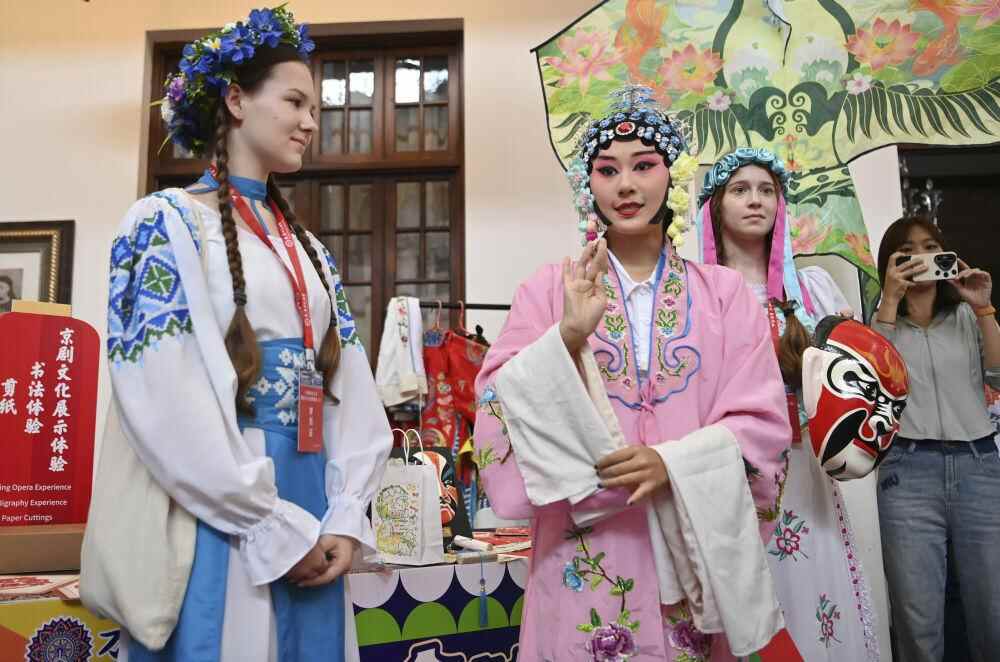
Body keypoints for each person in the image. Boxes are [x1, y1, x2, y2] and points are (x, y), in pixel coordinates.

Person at [81, 8, 391, 661]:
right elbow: (162, 395)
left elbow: (352, 385)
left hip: (311, 500)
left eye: (316, 108)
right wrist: (267, 523)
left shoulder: (309, 249)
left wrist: (343, 515)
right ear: (235, 100)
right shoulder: (164, 223)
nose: (311, 122)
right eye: (295, 102)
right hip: (225, 512)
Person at [473, 88, 793, 661]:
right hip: (582, 548)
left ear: (674, 176)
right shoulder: (547, 290)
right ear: (587, 185)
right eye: (607, 170)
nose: (625, 186)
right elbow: (497, 403)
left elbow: (764, 422)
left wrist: (673, 463)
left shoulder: (724, 295)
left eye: (644, 166)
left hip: (690, 544)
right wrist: (567, 335)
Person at [695, 147, 881, 660]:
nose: (755, 200)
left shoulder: (813, 290)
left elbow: (852, 385)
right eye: (740, 190)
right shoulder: (693, 292)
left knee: (813, 600)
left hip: (805, 473)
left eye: (767, 191)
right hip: (729, 476)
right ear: (715, 206)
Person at [872, 215, 1000, 662]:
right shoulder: (879, 323)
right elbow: (873, 387)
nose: (922, 257)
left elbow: (998, 376)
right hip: (907, 472)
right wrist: (890, 300)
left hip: (979, 465)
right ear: (891, 263)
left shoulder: (965, 315)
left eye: (931, 247)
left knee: (993, 610)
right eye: (907, 251)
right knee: (917, 616)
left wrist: (984, 308)